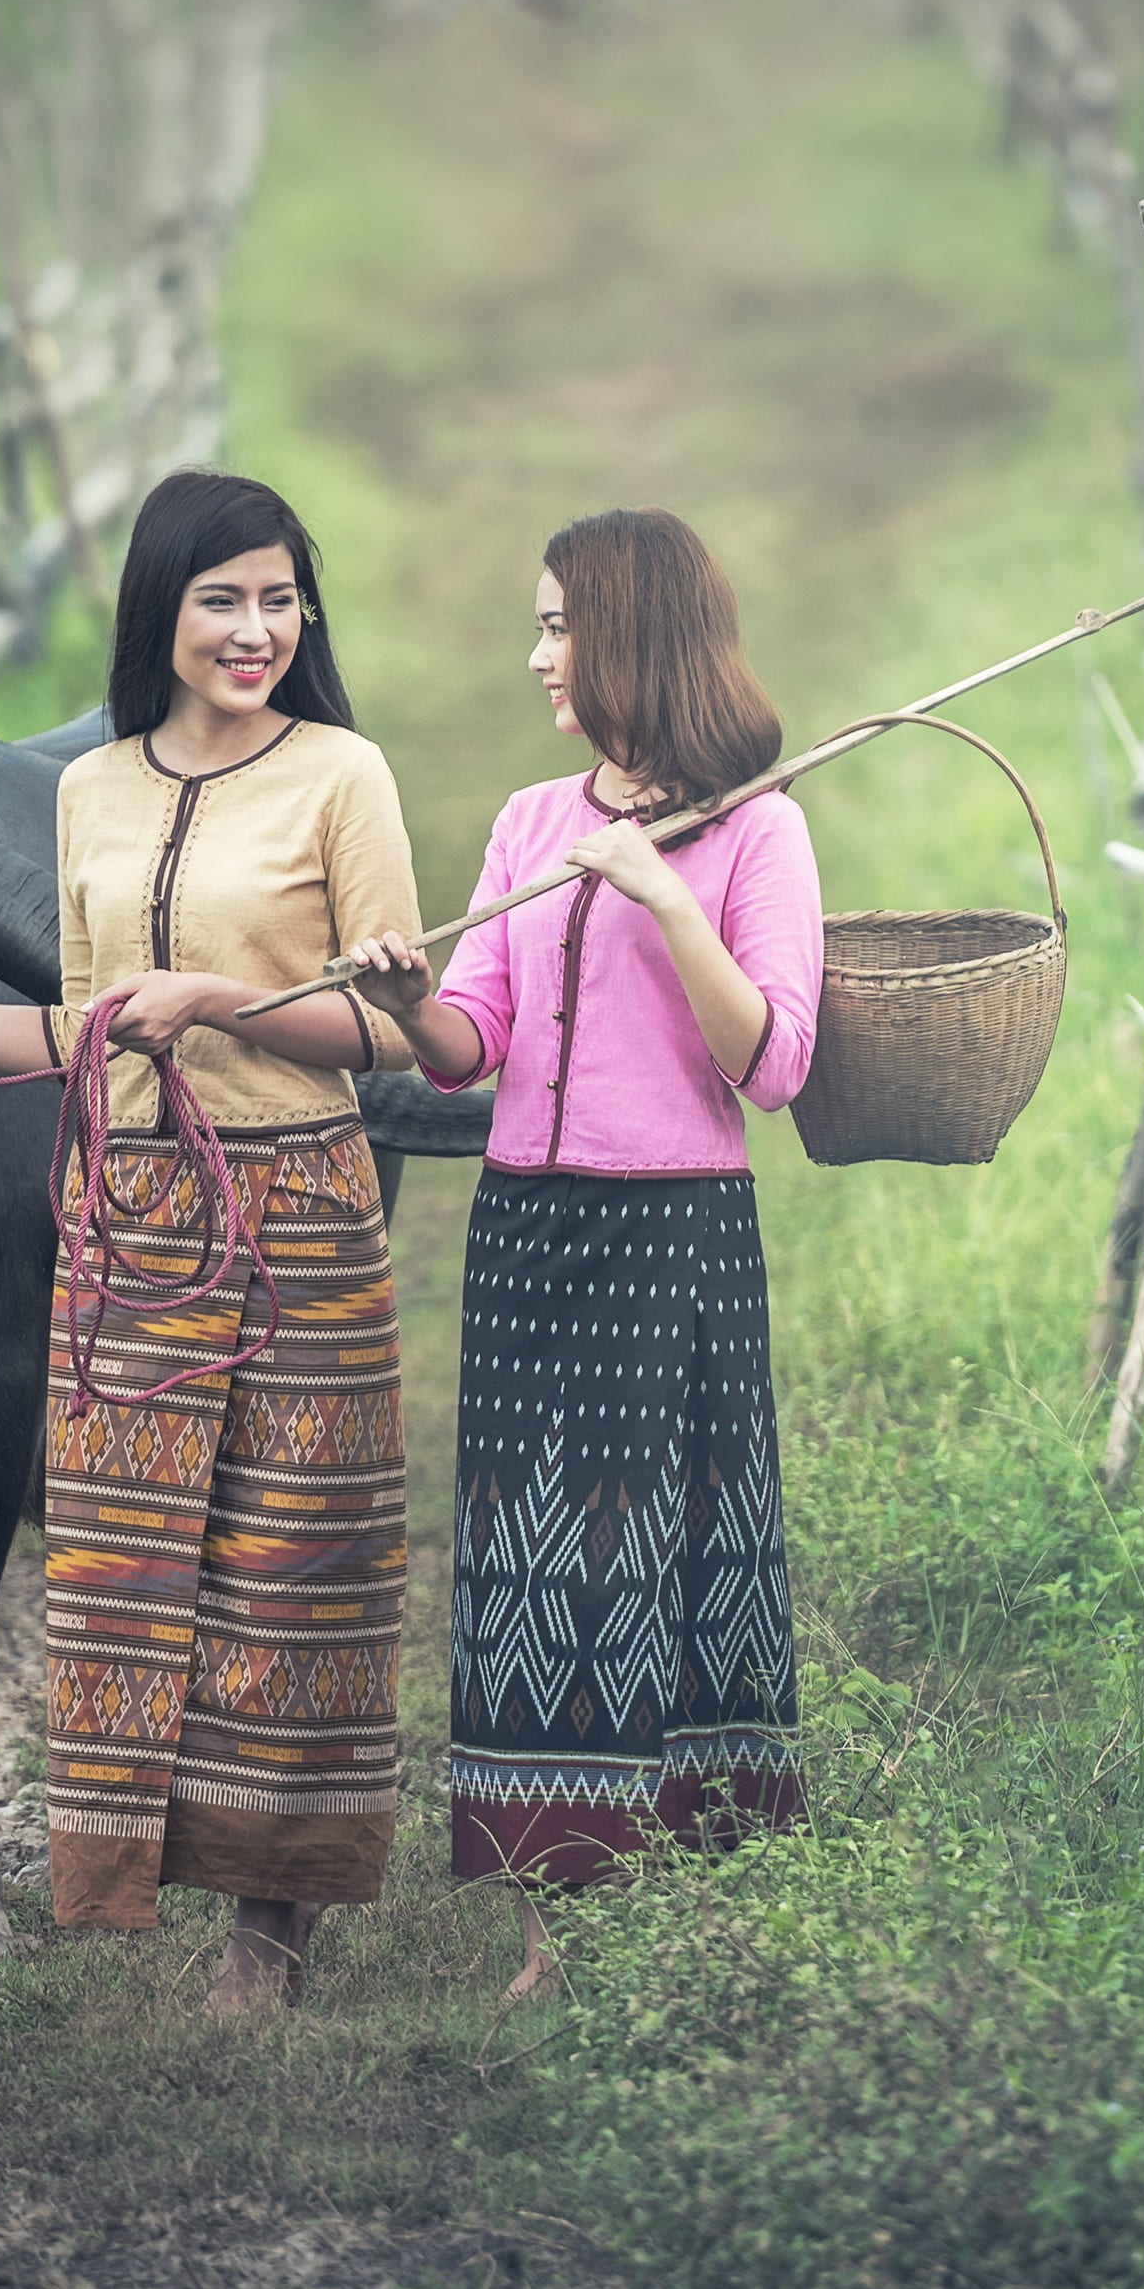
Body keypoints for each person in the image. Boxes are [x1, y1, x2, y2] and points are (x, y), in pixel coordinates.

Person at [0, 470, 424, 2015]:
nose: (258, 630)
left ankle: (272, 1925)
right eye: (224, 599)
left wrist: (217, 1001)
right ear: (161, 610)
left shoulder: (343, 776)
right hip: (129, 1211)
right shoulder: (94, 791)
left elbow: (392, 1034)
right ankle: (136, 1872)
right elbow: (79, 1030)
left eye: (280, 599)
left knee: (288, 1563)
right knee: (130, 1574)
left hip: (296, 1204)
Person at [341, 506, 821, 2008]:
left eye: (559, 626)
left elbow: (773, 1063)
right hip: (526, 1230)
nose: (539, 656)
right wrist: (408, 1002)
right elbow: (471, 1044)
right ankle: (561, 1908)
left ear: (631, 635)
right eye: (539, 626)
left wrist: (665, 893)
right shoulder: (532, 821)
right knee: (530, 1557)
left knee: (654, 1554)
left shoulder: (759, 828)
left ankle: (684, 1889)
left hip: (670, 1234)